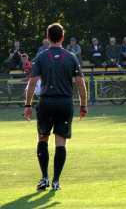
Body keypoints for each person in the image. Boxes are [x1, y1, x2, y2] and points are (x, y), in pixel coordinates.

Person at [24, 23, 88, 191]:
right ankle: (56, 181)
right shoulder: (71, 57)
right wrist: (83, 105)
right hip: (65, 103)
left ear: (47, 38)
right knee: (61, 142)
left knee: (42, 138)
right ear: (62, 37)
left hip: (46, 102)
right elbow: (81, 83)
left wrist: (28, 105)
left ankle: (44, 177)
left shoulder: (41, 57)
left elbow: (32, 83)